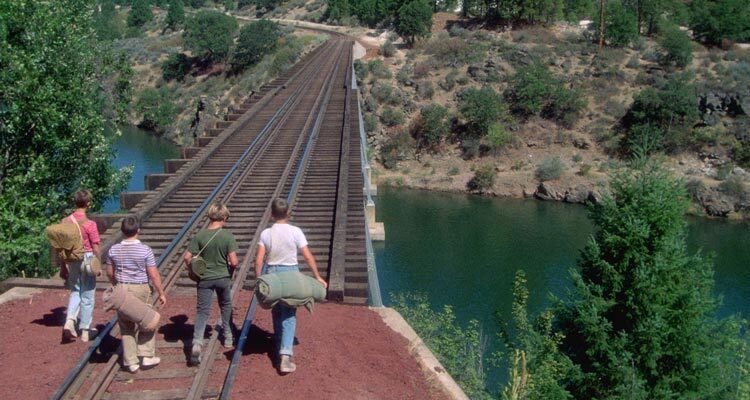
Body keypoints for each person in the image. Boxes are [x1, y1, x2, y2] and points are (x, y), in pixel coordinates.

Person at [254, 198, 327, 374]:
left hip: (272, 274)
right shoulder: (296, 231)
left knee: (276, 310)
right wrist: (317, 276)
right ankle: (285, 355)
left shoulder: (266, 234)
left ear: (271, 215)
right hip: (291, 274)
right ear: (288, 213)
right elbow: (308, 256)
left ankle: (279, 344)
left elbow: (258, 260)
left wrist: (260, 280)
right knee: (289, 314)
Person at [105, 215, 166, 373]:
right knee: (147, 320)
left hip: (122, 289)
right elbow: (153, 274)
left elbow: (110, 272)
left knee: (126, 326)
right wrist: (161, 292)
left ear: (122, 231)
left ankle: (131, 361)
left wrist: (116, 285)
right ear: (138, 230)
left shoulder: (113, 249)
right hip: (140, 289)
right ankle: (145, 354)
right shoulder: (145, 250)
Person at [184, 202, 238, 365]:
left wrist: (194, 269)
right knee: (226, 305)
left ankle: (197, 343)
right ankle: (228, 337)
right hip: (223, 278)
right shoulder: (227, 236)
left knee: (202, 312)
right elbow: (234, 261)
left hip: (205, 279)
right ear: (222, 217)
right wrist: (230, 269)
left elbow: (187, 257)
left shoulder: (200, 236)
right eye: (226, 217)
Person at [60, 189, 101, 343]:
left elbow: (61, 247)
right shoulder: (90, 224)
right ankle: (85, 330)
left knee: (76, 291)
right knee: (88, 294)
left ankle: (69, 322)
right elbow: (96, 247)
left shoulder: (65, 222)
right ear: (88, 204)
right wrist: (98, 264)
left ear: (75, 202)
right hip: (88, 258)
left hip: (72, 259)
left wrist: (63, 267)